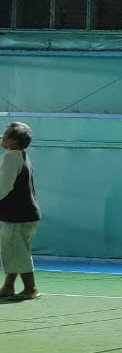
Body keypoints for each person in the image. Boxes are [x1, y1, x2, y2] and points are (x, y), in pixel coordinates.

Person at [0, 122, 40, 300]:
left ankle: (30, 288)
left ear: (14, 141)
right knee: (16, 249)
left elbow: (4, 186)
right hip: (28, 214)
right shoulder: (22, 156)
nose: (2, 136)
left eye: (6, 134)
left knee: (15, 250)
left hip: (18, 214)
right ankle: (8, 286)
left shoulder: (11, 157)